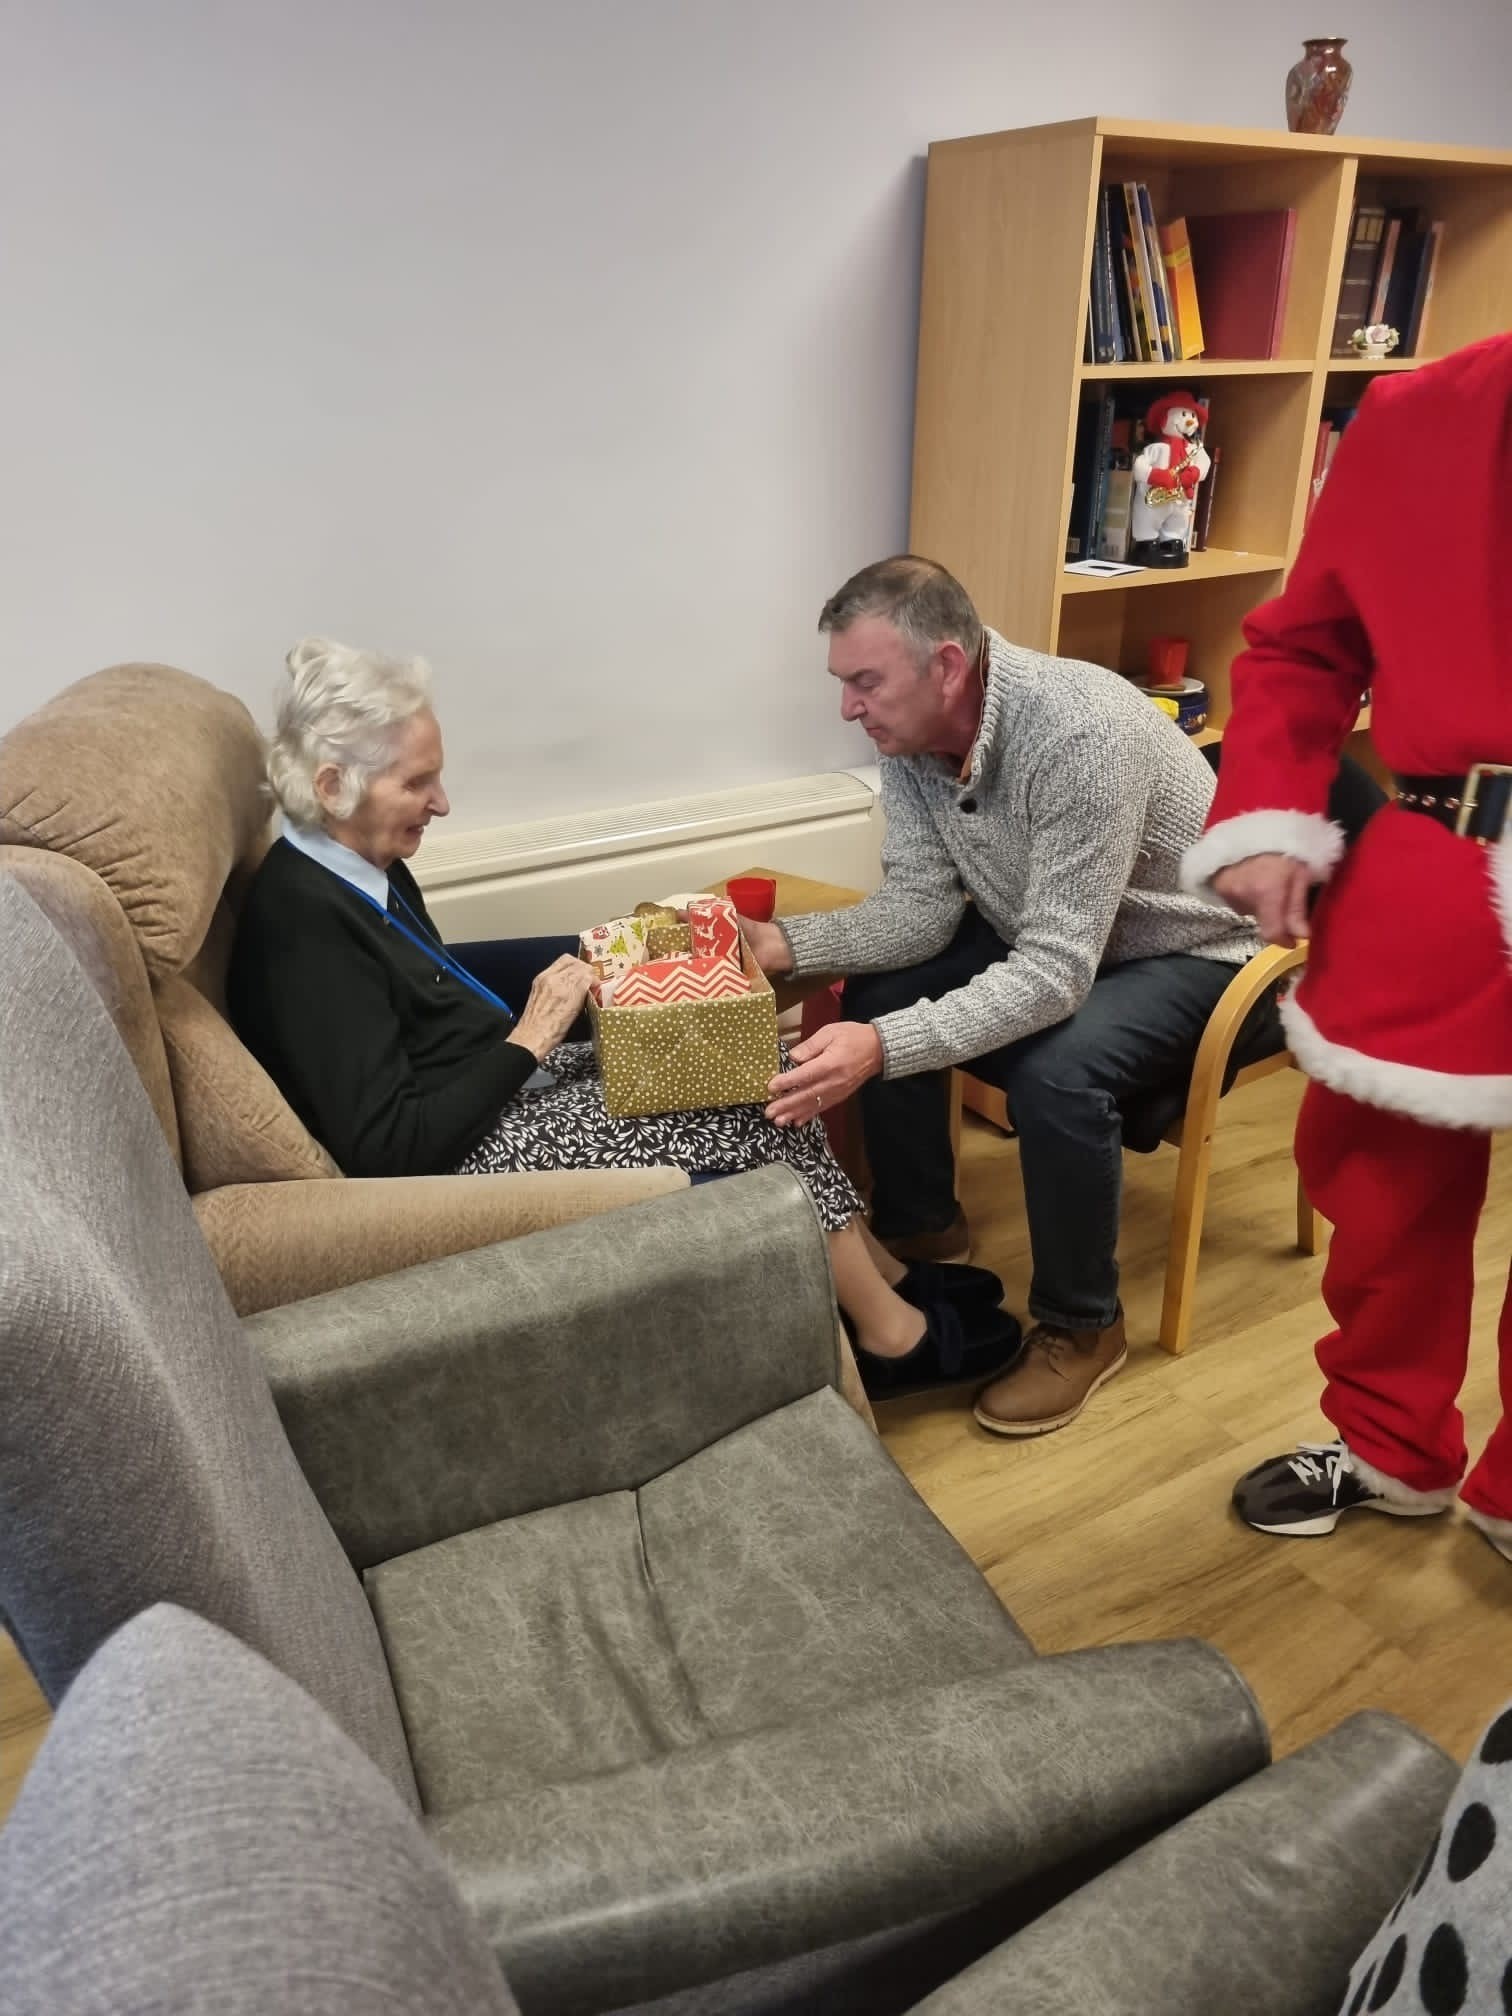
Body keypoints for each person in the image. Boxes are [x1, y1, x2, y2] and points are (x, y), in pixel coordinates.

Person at [227, 637, 1018, 1398]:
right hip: (462, 1161)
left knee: (755, 1069)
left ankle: (876, 1274)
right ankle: (891, 1335)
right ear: (331, 786)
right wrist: (530, 1040)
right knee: (753, 1104)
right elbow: (389, 1152)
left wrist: (616, 968)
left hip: (495, 1092)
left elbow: (429, 989)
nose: (441, 803)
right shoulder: (304, 927)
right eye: (416, 784)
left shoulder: (361, 864)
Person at [741, 556, 1259, 1436]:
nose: (848, 708)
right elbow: (918, 914)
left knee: (1058, 1074)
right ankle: (923, 1227)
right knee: (881, 990)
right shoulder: (915, 743)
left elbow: (1057, 974)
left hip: (1203, 948)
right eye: (843, 683)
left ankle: (1084, 1327)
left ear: (946, 666)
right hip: (1065, 933)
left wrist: (886, 1048)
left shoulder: (1081, 732)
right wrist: (786, 943)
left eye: (865, 682)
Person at [1184, 334, 1512, 1558]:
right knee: (1374, 1189)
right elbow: (1302, 646)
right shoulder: (1420, 413)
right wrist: (1267, 814)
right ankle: (1389, 1446)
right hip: (1438, 863)